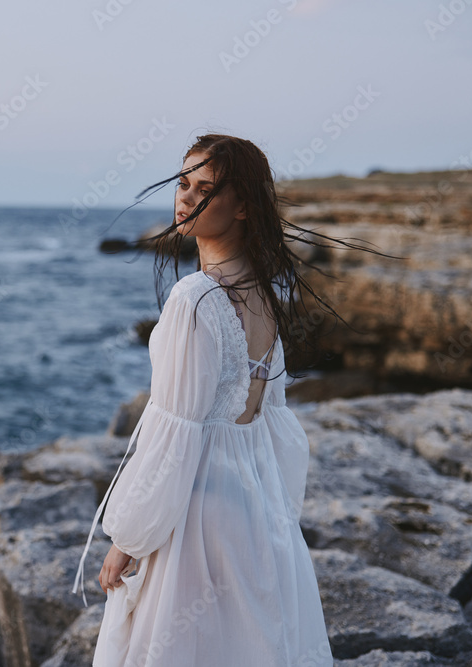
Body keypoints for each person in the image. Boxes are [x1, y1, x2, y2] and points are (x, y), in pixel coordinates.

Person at [71, 133, 396, 665]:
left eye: (206, 189)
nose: (185, 198)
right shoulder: (264, 292)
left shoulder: (195, 298)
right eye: (183, 182)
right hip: (251, 508)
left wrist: (127, 538)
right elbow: (272, 424)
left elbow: (176, 431)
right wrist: (275, 519)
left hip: (195, 517)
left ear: (243, 206)